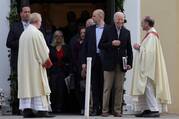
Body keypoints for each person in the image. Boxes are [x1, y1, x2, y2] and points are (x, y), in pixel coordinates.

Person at [131, 16, 171, 117]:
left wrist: (139, 47)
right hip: (148, 66)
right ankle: (147, 108)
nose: (141, 25)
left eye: (142, 23)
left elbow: (149, 53)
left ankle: (154, 109)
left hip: (149, 68)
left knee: (148, 87)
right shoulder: (150, 35)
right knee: (145, 88)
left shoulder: (152, 36)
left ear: (147, 24)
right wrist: (140, 48)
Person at [18, 13, 54, 118]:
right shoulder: (37, 33)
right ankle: (41, 110)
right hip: (35, 67)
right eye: (41, 22)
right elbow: (43, 50)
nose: (41, 24)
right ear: (37, 21)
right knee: (38, 86)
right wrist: (46, 61)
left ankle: (27, 110)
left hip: (25, 67)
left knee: (27, 87)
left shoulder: (24, 34)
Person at [98, 12, 133, 117]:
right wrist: (111, 44)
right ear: (114, 20)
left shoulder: (127, 32)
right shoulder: (107, 29)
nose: (120, 21)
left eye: (122, 19)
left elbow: (129, 50)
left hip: (121, 64)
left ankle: (117, 110)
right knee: (107, 88)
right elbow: (101, 45)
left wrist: (130, 63)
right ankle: (105, 111)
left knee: (119, 88)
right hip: (109, 63)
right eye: (118, 19)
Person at [81, 9, 107, 116]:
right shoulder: (90, 29)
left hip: (105, 60)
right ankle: (96, 108)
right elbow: (85, 47)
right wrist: (84, 62)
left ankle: (104, 108)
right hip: (93, 60)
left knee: (105, 85)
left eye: (94, 16)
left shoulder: (109, 29)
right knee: (94, 85)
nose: (92, 18)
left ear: (100, 17)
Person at [6, 5, 31, 115]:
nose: (27, 14)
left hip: (31, 62)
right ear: (20, 14)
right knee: (20, 85)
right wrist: (22, 42)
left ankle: (30, 108)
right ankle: (19, 108)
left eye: (29, 12)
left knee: (31, 84)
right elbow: (9, 43)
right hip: (19, 61)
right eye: (25, 12)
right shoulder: (15, 26)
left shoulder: (34, 26)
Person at [48, 30, 71, 113]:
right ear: (54, 37)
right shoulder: (50, 48)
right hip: (53, 72)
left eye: (61, 36)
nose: (59, 38)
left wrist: (67, 69)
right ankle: (53, 107)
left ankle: (60, 108)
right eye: (57, 36)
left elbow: (70, 59)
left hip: (63, 72)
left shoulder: (66, 47)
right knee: (53, 89)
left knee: (62, 90)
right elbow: (48, 60)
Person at [71, 26, 86, 115]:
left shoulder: (88, 43)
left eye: (84, 33)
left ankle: (87, 107)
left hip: (86, 68)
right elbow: (74, 57)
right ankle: (81, 107)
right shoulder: (76, 43)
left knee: (86, 89)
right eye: (81, 33)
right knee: (78, 90)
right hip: (77, 69)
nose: (83, 34)